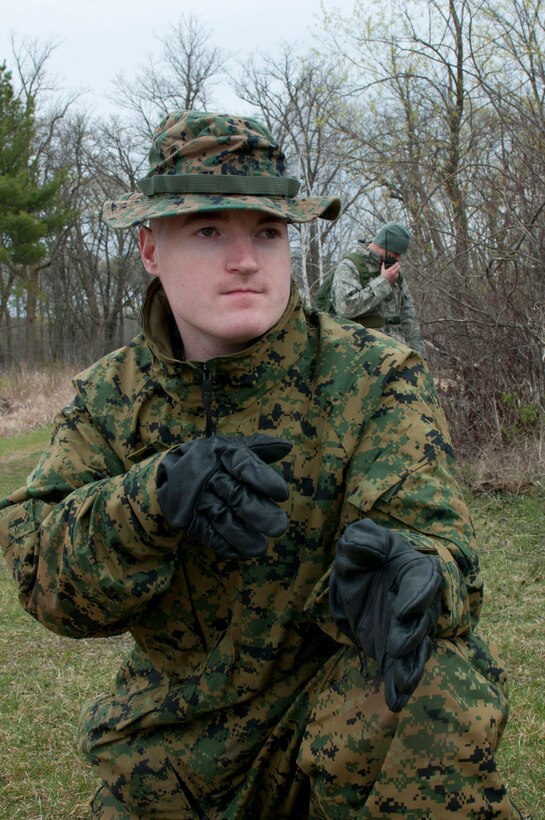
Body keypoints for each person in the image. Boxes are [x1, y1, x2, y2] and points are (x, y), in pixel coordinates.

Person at [0, 110, 520, 819]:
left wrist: (415, 573)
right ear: (151, 247)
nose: (245, 260)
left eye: (267, 233)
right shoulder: (112, 397)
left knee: (431, 673)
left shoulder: (370, 374)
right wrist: (153, 500)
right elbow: (43, 578)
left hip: (333, 722)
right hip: (172, 749)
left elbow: (436, 539)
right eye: (210, 231)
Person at [331, 222, 427, 358]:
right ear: (384, 245)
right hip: (362, 355)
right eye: (395, 253)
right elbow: (346, 308)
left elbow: (408, 314)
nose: (398, 258)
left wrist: (419, 355)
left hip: (397, 355)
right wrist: (384, 282)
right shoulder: (350, 266)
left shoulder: (393, 269)